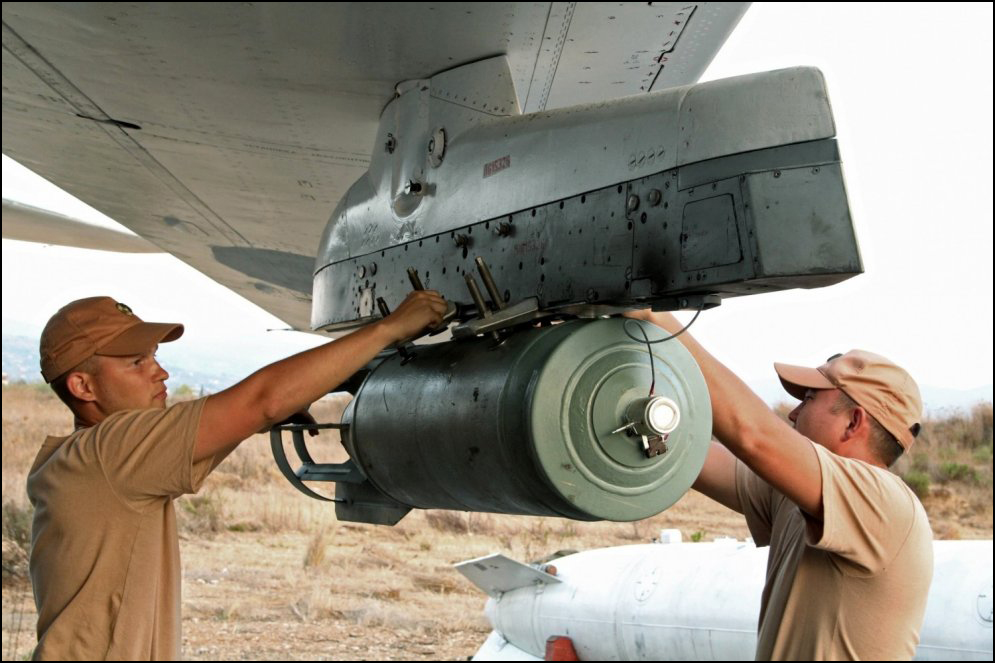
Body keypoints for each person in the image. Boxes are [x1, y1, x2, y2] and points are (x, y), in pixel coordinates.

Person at [28, 291, 447, 660]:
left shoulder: (95, 459)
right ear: (83, 387)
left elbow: (241, 416)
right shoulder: (112, 452)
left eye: (155, 356)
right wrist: (389, 328)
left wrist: (256, 420)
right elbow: (261, 400)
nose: (160, 372)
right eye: (137, 363)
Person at [625, 309, 932, 660]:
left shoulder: (885, 504)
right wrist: (633, 410)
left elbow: (753, 436)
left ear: (853, 422)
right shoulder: (799, 497)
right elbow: (684, 453)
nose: (794, 413)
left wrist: (656, 319)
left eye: (809, 398)